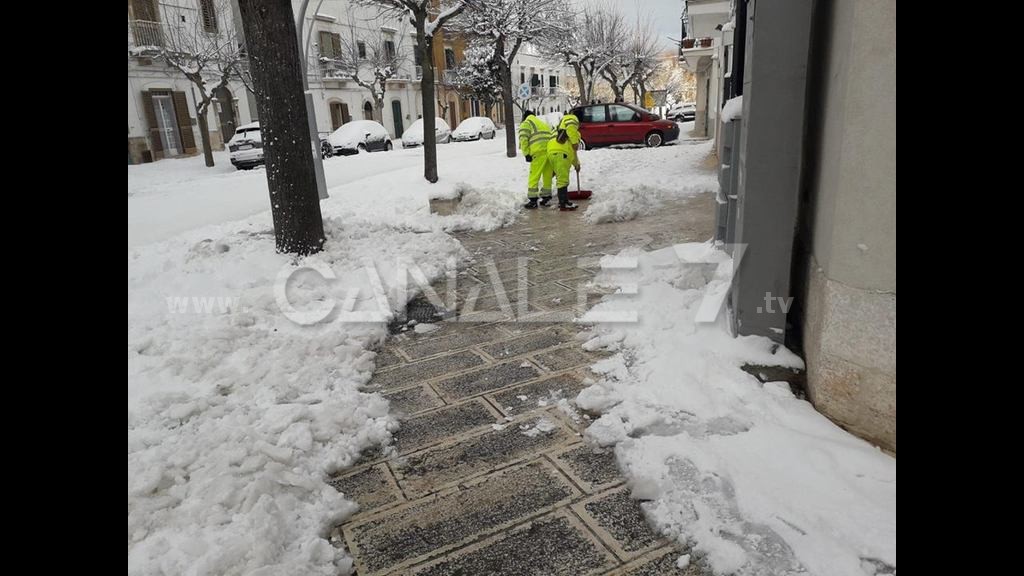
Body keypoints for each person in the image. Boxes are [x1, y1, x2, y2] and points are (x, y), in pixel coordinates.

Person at [518, 110, 554, 209]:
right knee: (547, 175)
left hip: (538, 152)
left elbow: (523, 139)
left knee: (534, 175)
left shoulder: (526, 123)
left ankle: (533, 200)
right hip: (549, 151)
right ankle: (546, 197)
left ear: (525, 117)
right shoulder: (542, 123)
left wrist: (526, 153)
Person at [546, 111, 581, 211]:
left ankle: (565, 201)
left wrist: (576, 164)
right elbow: (573, 151)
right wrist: (575, 142)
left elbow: (573, 153)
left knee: (561, 177)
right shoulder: (571, 119)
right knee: (562, 179)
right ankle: (563, 203)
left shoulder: (559, 128)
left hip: (551, 152)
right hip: (561, 153)